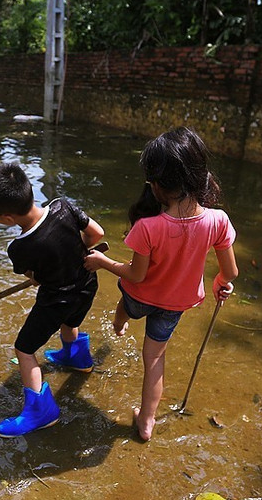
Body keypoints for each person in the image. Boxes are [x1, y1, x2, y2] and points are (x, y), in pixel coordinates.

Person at [83, 126, 238, 441]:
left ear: (156, 186)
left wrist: (101, 262)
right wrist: (221, 282)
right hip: (175, 305)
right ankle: (147, 422)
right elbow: (230, 272)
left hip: (140, 296)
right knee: (154, 357)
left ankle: (120, 320)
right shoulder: (218, 221)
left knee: (126, 301)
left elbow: (135, 275)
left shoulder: (147, 227)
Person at [0, 162, 105, 437]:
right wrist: (75, 252)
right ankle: (77, 357)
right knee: (70, 320)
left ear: (6, 218)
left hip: (55, 300)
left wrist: (43, 272)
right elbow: (97, 234)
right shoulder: (63, 206)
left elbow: (34, 277)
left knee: (24, 349)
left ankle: (40, 412)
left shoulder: (19, 247)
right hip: (86, 285)